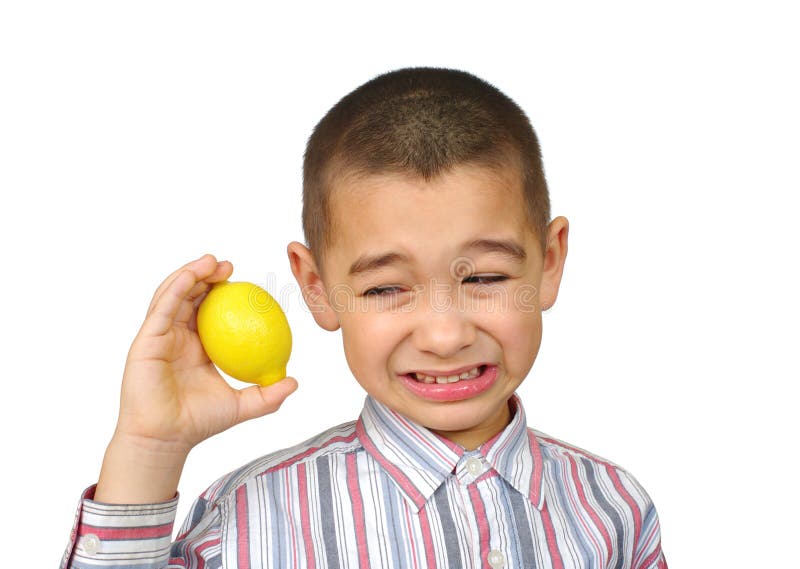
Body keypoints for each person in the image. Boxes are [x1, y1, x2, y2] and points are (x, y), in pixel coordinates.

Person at [60, 67, 667, 569]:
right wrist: (148, 448)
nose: (445, 334)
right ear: (318, 289)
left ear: (551, 262)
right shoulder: (246, 522)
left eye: (483, 278)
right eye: (385, 289)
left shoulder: (614, 508)